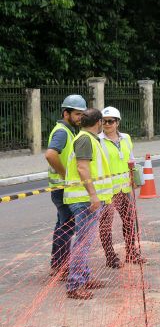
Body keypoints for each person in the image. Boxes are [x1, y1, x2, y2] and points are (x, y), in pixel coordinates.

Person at [63, 108, 114, 299]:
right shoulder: (85, 139)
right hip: (84, 199)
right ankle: (75, 284)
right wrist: (93, 195)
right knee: (82, 243)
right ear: (99, 122)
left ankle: (84, 277)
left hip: (87, 198)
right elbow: (82, 168)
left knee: (85, 242)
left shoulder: (90, 139)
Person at [44, 94, 87, 279]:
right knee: (67, 227)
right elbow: (51, 155)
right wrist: (65, 175)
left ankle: (57, 264)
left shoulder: (69, 131)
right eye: (77, 114)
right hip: (61, 187)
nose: (80, 118)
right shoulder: (62, 132)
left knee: (62, 225)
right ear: (66, 113)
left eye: (82, 114)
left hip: (62, 187)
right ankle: (61, 267)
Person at [98, 106, 145, 267]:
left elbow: (130, 159)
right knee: (106, 225)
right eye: (104, 121)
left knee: (130, 221)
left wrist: (135, 177)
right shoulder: (98, 140)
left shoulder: (125, 138)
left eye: (110, 121)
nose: (107, 124)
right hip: (108, 191)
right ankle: (110, 257)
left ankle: (132, 253)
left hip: (124, 189)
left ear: (117, 122)